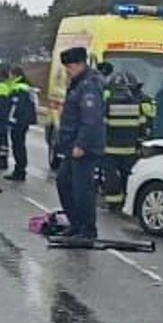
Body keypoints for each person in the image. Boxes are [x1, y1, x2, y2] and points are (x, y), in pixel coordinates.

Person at [52, 46, 106, 242]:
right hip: (73, 145)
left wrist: (81, 144)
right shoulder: (78, 83)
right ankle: (75, 224)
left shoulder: (89, 85)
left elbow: (90, 118)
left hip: (85, 148)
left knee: (83, 189)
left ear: (79, 64)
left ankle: (87, 230)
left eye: (69, 67)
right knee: (64, 182)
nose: (67, 71)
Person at [98, 60, 147, 208]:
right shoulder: (136, 104)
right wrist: (139, 141)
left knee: (111, 175)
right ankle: (128, 200)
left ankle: (114, 203)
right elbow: (142, 124)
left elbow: (102, 125)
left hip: (110, 148)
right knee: (128, 175)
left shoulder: (108, 104)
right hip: (130, 148)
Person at [3, 66, 37, 181]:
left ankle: (20, 171)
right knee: (19, 145)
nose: (9, 77)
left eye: (10, 74)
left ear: (15, 75)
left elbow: (17, 106)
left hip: (19, 121)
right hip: (24, 120)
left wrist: (12, 119)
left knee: (18, 145)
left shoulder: (19, 88)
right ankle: (20, 169)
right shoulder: (25, 86)